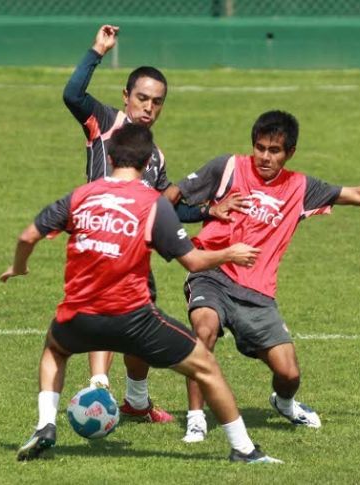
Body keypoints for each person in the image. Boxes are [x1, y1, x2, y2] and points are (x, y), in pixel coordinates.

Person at [2, 124, 281, 464]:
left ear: (109, 156)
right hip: (134, 321)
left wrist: (18, 267)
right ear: (149, 161)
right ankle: (245, 449)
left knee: (55, 349)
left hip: (78, 318)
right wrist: (228, 254)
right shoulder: (153, 204)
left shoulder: (80, 196)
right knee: (205, 366)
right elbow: (192, 261)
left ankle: (45, 424)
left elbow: (27, 236)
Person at [171, 110, 360, 443]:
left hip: (257, 292)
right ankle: (196, 418)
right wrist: (206, 211)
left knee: (288, 373)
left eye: (274, 151)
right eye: (260, 148)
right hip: (212, 272)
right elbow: (169, 201)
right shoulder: (226, 167)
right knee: (205, 328)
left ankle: (284, 403)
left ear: (290, 153)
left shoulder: (300, 187)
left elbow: (354, 194)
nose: (265, 157)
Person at [62, 24, 246, 422]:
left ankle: (136, 401)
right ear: (126, 97)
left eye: (157, 102)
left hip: (136, 250)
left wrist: (205, 212)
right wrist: (97, 50)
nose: (148, 107)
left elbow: (164, 208)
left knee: (137, 320)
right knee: (110, 315)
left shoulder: (155, 157)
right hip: (101, 241)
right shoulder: (104, 121)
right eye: (142, 98)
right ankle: (99, 387)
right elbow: (71, 95)